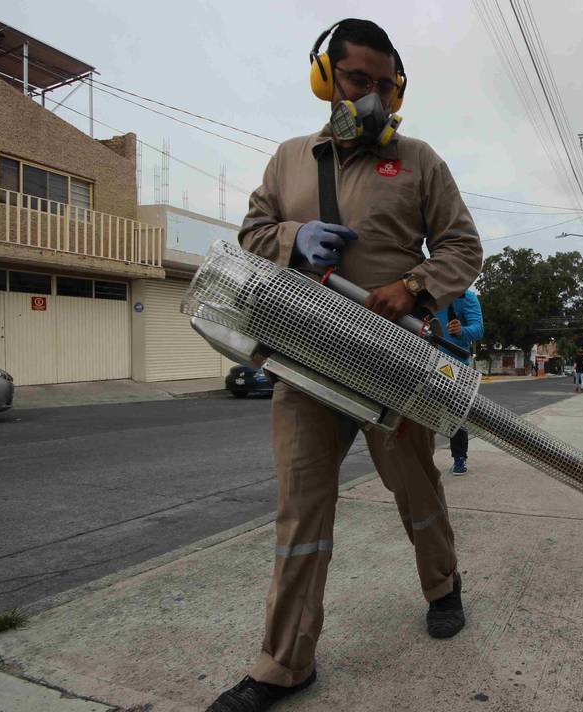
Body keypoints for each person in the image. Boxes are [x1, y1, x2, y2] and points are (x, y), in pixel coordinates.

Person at [208, 19, 483, 712]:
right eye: (359, 80)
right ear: (326, 79)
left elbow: (462, 247)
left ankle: (443, 585)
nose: (375, 97)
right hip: (305, 363)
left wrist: (415, 287)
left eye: (386, 86)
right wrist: (294, 236)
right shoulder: (289, 159)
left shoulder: (420, 161)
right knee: (301, 512)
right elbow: (250, 233)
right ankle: (284, 664)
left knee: (417, 493)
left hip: (391, 364)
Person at [440, 289, 483, 475]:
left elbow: (478, 329)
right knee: (420, 410)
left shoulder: (466, 297)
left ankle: (459, 458)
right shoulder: (426, 293)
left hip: (456, 363)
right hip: (425, 356)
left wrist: (461, 331)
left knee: (457, 413)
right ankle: (419, 457)